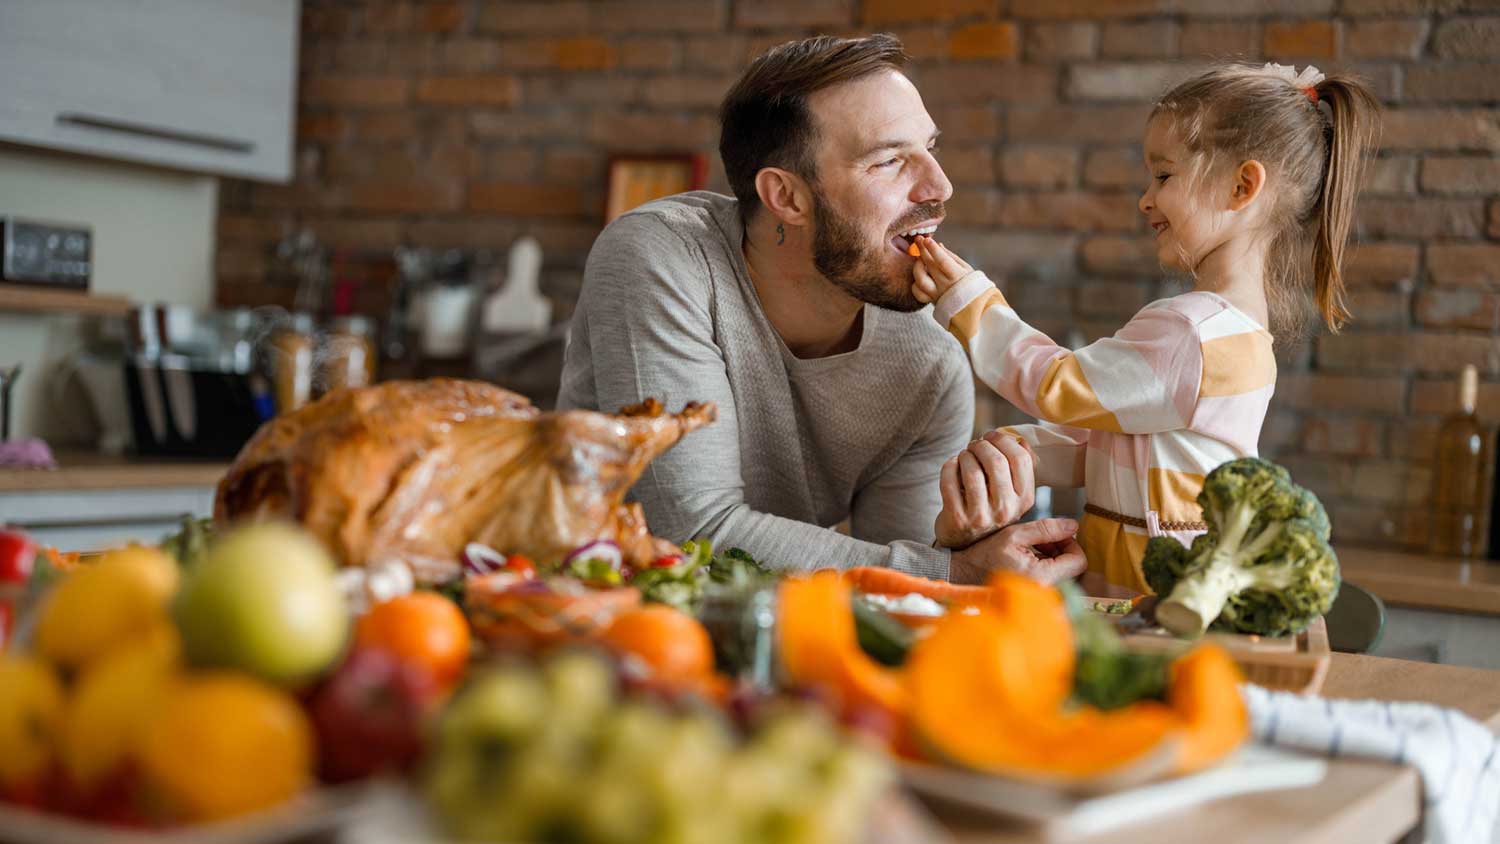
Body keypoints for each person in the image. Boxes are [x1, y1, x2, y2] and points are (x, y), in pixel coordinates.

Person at [558, 34, 1085, 584]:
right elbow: (687, 531)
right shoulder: (661, 257)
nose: (940, 186)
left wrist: (956, 543)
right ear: (786, 198)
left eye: (931, 148)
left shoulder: (929, 362)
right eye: (888, 161)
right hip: (574, 614)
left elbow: (885, 591)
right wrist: (946, 569)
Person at [908, 63, 1381, 593]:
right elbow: (1120, 448)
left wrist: (969, 301)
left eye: (1163, 175)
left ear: (1243, 186)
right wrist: (1018, 450)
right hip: (1152, 589)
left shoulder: (1191, 333)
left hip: (1148, 596)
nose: (1145, 198)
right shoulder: (1237, 333)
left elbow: (1056, 387)